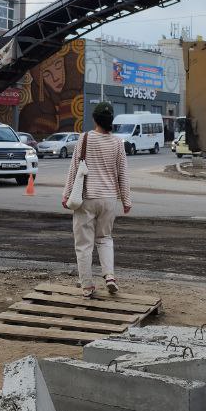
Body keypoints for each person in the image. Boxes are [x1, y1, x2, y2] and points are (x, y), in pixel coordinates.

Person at [61, 100, 132, 299]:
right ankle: (109, 276)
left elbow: (74, 169)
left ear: (94, 119)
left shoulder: (84, 139)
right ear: (111, 121)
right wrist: (126, 200)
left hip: (87, 198)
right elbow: (123, 173)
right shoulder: (118, 142)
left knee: (84, 244)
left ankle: (88, 286)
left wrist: (66, 194)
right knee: (105, 238)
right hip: (109, 199)